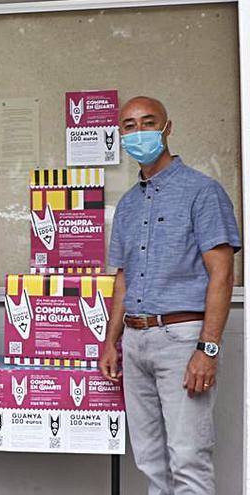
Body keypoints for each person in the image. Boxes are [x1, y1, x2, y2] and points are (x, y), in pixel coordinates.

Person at [99, 96, 240, 495]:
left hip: (182, 339)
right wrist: (112, 341)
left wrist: (206, 349)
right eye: (128, 125)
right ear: (120, 135)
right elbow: (123, 278)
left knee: (189, 458)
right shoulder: (126, 205)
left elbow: (222, 275)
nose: (138, 132)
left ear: (167, 128)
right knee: (149, 461)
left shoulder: (202, 192)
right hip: (136, 339)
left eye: (148, 122)